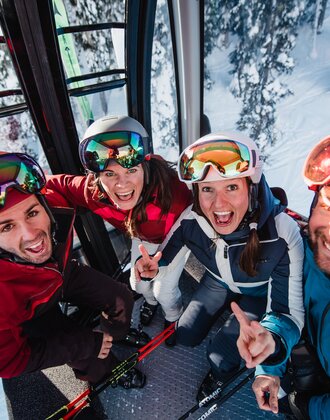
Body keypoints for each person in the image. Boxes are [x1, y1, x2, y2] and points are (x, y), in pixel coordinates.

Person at [134, 131, 305, 401]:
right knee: (186, 335)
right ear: (197, 192)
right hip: (217, 280)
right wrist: (154, 266)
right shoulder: (192, 218)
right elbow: (165, 252)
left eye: (231, 187)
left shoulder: (282, 232)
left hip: (260, 293)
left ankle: (218, 376)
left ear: (252, 187)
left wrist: (271, 341)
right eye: (208, 189)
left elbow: (289, 314)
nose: (219, 204)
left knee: (220, 356)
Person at [0, 151, 145, 389]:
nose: (31, 235)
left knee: (121, 298)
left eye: (32, 213)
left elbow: (73, 186)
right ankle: (108, 373)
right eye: (7, 227)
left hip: (62, 273)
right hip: (27, 313)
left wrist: (119, 188)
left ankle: (115, 336)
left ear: (44, 203)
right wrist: (86, 344)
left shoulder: (52, 197)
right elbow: (9, 363)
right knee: (89, 354)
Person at [46, 115, 193, 345]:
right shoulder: (95, 193)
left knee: (165, 290)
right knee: (137, 284)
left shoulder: (174, 191)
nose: (121, 185)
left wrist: (162, 263)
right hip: (142, 238)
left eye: (131, 171)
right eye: (110, 174)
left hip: (174, 240)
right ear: (98, 177)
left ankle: (173, 316)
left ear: (144, 167)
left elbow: (198, 218)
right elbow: (55, 184)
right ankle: (150, 303)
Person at [233, 135, 330, 419]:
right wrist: (270, 357)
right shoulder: (307, 251)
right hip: (304, 354)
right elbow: (285, 309)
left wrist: (306, 409)